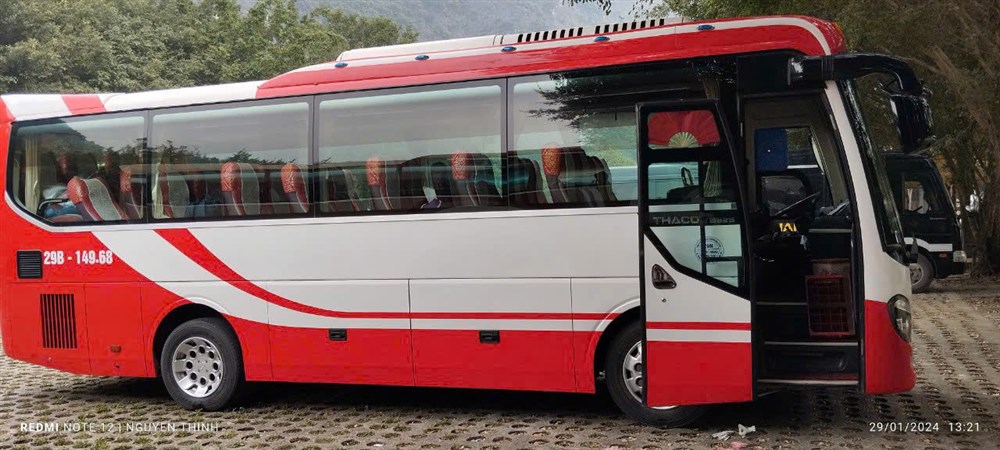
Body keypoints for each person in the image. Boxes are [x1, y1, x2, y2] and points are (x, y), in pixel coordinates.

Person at [41, 152, 80, 219]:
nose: (69, 166)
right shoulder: (49, 188)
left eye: (72, 163)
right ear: (57, 166)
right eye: (66, 163)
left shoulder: (79, 180)